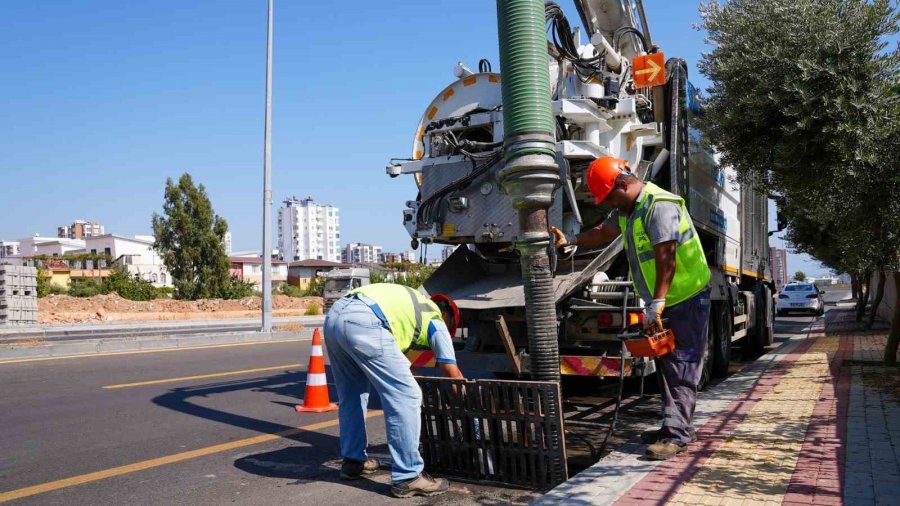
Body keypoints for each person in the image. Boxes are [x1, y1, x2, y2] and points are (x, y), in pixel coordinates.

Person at [552, 156, 711, 460]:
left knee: (682, 366)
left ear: (623, 184)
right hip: (666, 300)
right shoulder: (628, 209)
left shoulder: (658, 205)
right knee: (667, 365)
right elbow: (602, 232)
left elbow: (667, 256)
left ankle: (675, 436)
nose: (610, 204)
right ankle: (675, 426)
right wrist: (571, 240)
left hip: (685, 297)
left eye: (610, 197)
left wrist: (657, 303)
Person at [323, 282, 463, 498]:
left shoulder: (407, 308)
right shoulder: (434, 318)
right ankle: (409, 476)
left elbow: (403, 365)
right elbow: (450, 370)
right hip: (364, 320)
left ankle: (353, 462)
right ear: (448, 316)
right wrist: (465, 397)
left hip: (335, 318)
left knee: (352, 395)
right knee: (406, 396)